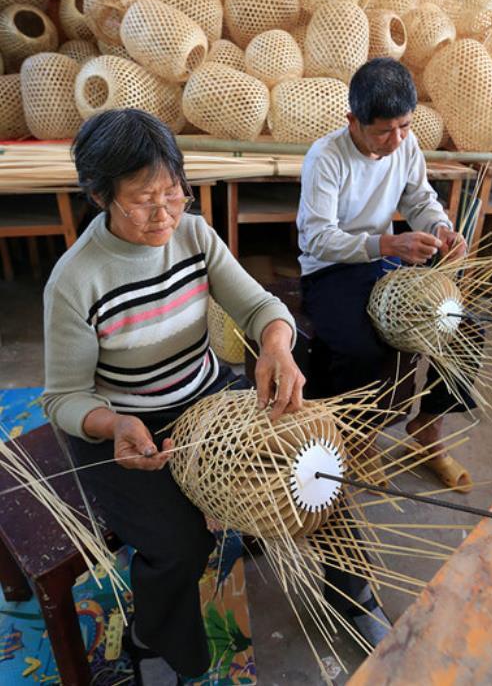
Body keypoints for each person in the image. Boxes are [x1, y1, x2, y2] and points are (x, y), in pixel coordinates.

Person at [43, 108, 305, 685]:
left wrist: (276, 346)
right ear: (99, 196)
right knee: (179, 544)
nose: (163, 214)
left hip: (203, 393)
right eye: (142, 199)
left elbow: (263, 308)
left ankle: (345, 590)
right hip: (125, 422)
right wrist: (111, 427)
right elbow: (62, 397)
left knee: (289, 464)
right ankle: (153, 635)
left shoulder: (194, 234)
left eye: (173, 193)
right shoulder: (74, 280)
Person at [297, 57, 471, 489]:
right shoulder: (326, 157)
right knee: (366, 348)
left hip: (387, 261)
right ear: (353, 120)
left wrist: (441, 228)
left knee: (464, 329)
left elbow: (419, 199)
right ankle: (361, 438)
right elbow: (318, 238)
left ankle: (427, 432)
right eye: (383, 131)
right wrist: (387, 243)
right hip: (332, 269)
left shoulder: (405, 145)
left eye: (405, 127)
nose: (396, 141)